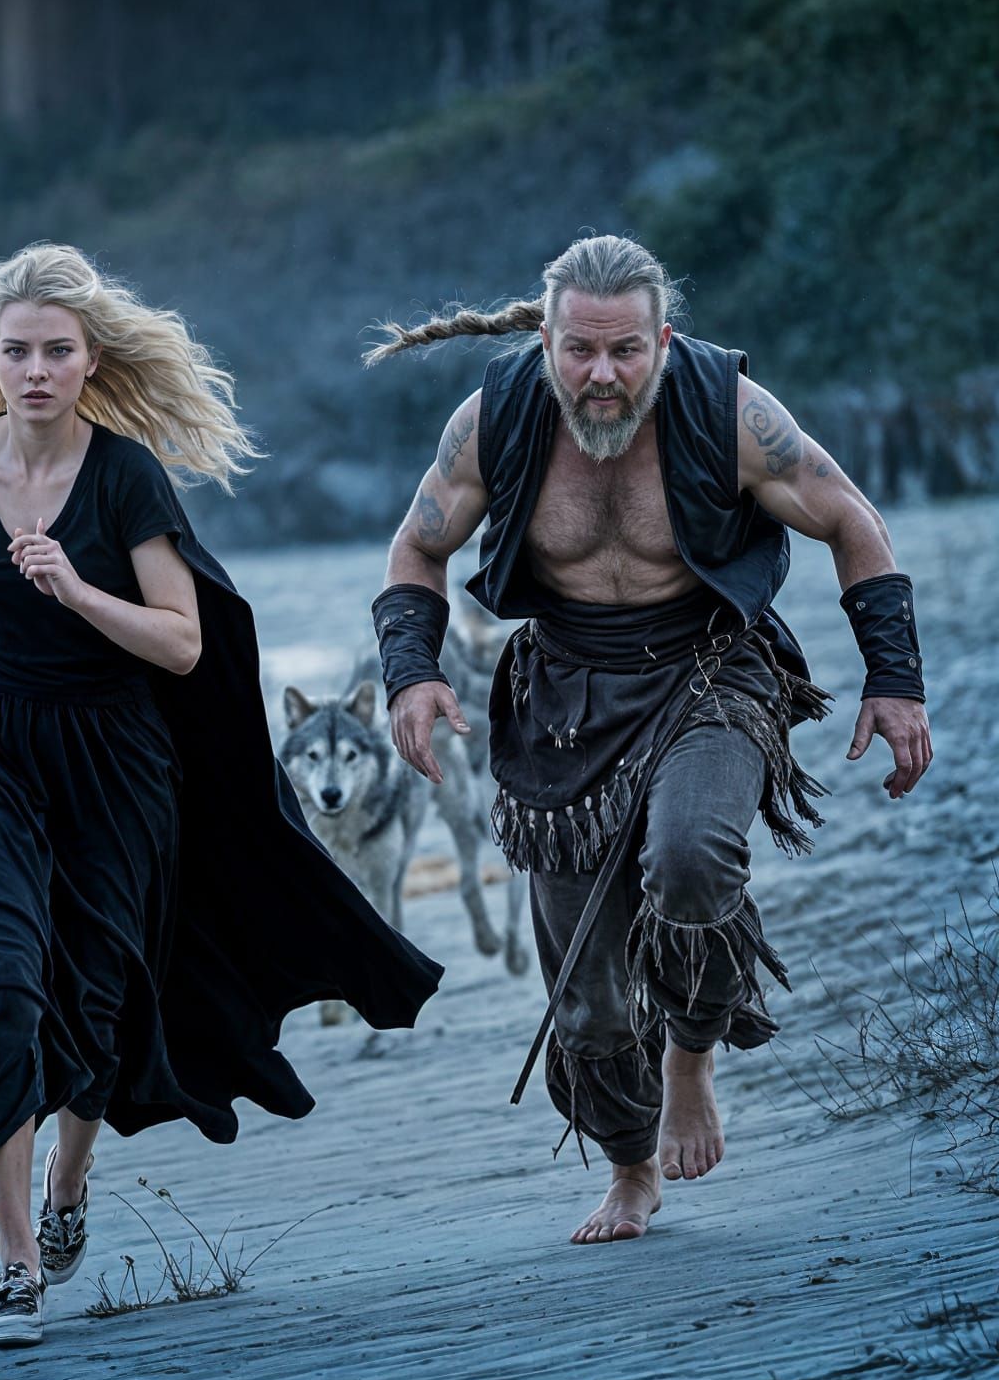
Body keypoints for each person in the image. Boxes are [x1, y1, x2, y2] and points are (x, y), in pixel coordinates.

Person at [0, 243, 443, 1346]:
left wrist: (73, 589)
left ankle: (74, 1172)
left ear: (89, 360)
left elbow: (180, 641)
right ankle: (17, 1264)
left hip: (112, 761)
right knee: (4, 982)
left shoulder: (123, 478)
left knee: (97, 997)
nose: (32, 369)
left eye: (54, 351)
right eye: (13, 351)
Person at [365, 235, 931, 1245]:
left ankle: (693, 1058)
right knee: (585, 1007)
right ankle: (631, 1171)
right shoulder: (495, 420)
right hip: (565, 694)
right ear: (546, 341)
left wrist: (894, 681)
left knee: (691, 859)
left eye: (626, 351)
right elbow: (418, 544)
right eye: (580, 351)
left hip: (711, 667)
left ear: (662, 340)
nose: (602, 375)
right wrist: (411, 674)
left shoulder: (728, 410)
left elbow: (849, 516)